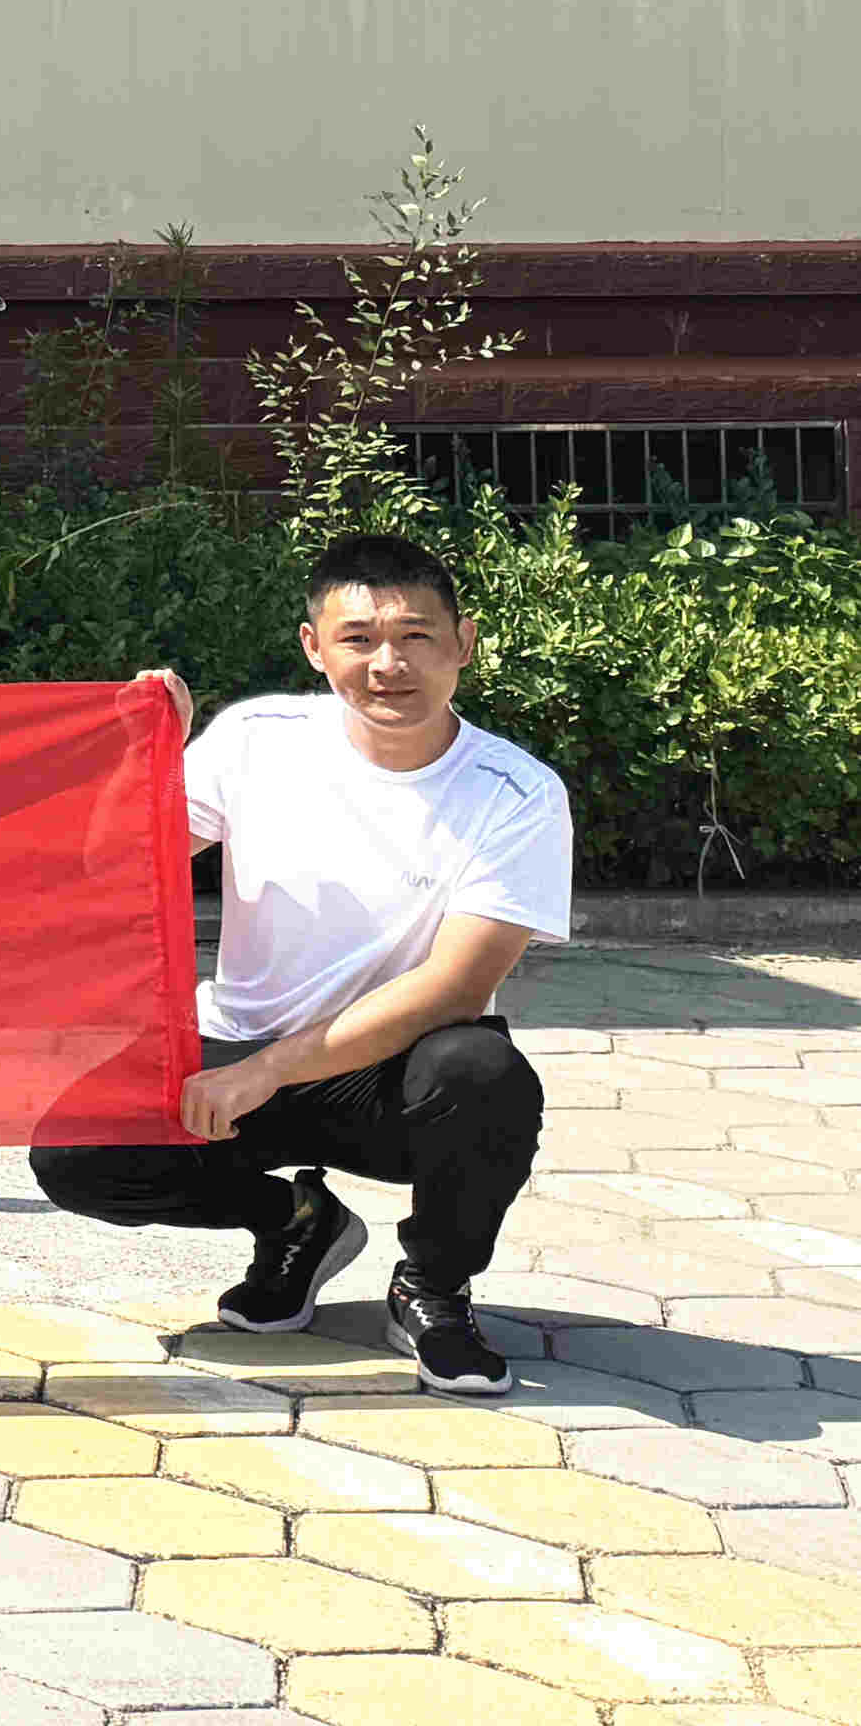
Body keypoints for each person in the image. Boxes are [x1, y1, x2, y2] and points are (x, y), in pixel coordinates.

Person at [29, 536, 567, 1398]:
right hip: (240, 1047)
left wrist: (267, 1072)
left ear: (463, 642)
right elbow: (115, 866)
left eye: (416, 636)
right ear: (315, 646)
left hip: (392, 1075)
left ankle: (432, 1285)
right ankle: (294, 1222)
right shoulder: (257, 739)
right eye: (358, 638)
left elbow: (455, 986)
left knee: (484, 1075)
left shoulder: (517, 791)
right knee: (77, 1149)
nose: (387, 663)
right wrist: (144, 758)